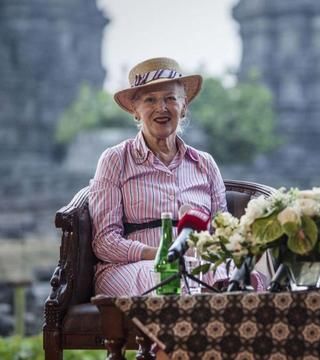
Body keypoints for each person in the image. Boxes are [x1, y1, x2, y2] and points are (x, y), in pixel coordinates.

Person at [89, 57, 266, 296]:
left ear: (184, 107)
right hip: (129, 267)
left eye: (170, 98)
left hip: (197, 265)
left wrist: (204, 254)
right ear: (135, 111)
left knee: (244, 278)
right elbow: (104, 243)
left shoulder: (204, 164)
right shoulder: (115, 160)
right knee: (170, 275)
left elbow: (223, 234)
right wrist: (163, 253)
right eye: (150, 100)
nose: (161, 108)